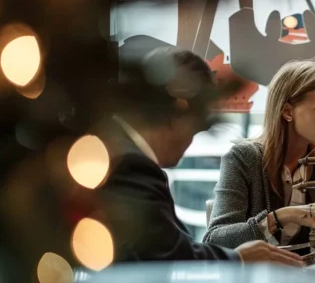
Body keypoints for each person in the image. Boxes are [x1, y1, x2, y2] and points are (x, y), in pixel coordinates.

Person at [95, 44, 302, 266]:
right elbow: (169, 257)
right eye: (195, 129)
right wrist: (239, 257)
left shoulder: (112, 152)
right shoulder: (129, 165)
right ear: (178, 109)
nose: (188, 144)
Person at [204, 58, 315, 249]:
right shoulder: (243, 158)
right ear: (287, 112)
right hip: (255, 277)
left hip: (312, 276)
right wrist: (282, 216)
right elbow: (215, 239)